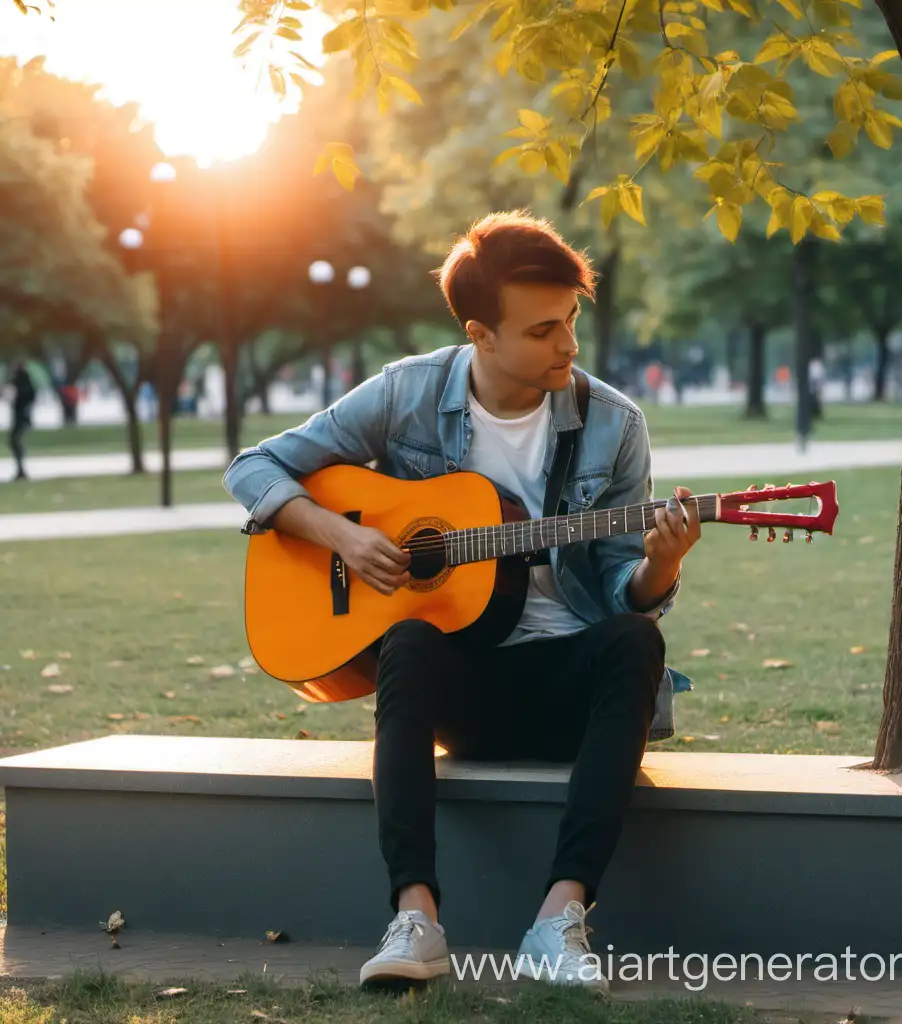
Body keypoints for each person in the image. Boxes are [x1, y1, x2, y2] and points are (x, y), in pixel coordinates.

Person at [222, 212, 702, 993]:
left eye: (574, 320)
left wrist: (660, 566)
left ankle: (560, 917)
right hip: (461, 690)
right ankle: (416, 920)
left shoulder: (614, 424)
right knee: (407, 638)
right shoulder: (408, 393)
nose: (570, 345)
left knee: (634, 641)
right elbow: (254, 467)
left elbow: (627, 590)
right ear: (481, 334)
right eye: (544, 329)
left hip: (567, 691)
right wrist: (337, 537)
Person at [7, 361, 36, 481]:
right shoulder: (28, 382)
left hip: (20, 417)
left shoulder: (18, 382)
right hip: (24, 416)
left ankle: (21, 469)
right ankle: (20, 469)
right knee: (16, 442)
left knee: (15, 442)